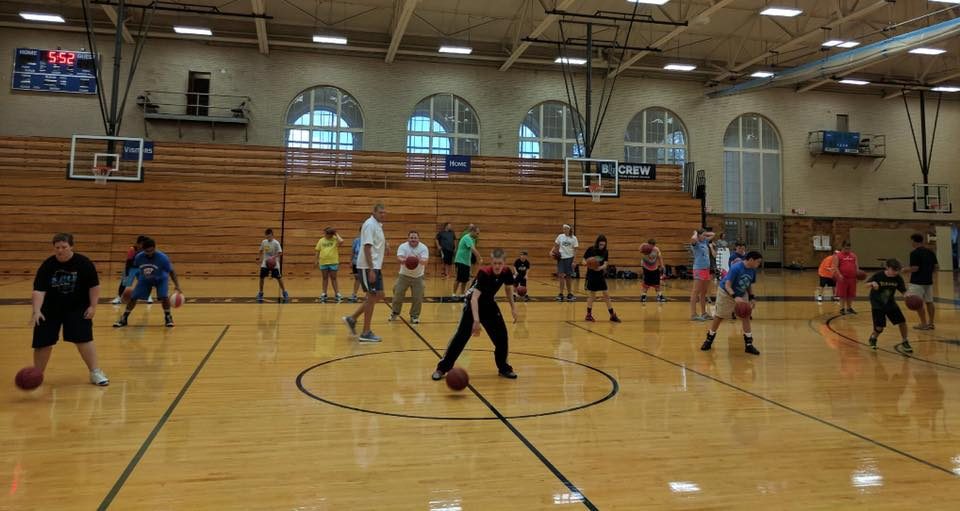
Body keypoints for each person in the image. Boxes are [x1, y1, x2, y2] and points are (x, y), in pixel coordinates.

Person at [31, 233, 108, 386]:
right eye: (57, 247)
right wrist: (37, 310)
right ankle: (37, 375)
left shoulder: (83, 263)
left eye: (64, 247)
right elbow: (39, 290)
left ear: (71, 246)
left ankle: (95, 372)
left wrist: (93, 306)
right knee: (42, 342)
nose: (60, 251)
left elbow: (94, 286)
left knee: (84, 339)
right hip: (50, 308)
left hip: (77, 307)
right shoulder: (48, 265)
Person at [431, 248, 519, 381]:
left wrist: (513, 308)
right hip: (472, 304)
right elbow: (474, 298)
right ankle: (442, 368)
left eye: (500, 263)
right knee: (460, 339)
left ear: (504, 263)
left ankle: (504, 368)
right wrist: (476, 321)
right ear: (491, 262)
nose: (497, 266)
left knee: (502, 337)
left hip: (489, 304)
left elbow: (508, 289)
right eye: (495, 263)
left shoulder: (506, 272)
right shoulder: (484, 273)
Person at [700, 251, 763, 355]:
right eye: (758, 262)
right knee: (719, 316)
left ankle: (749, 345)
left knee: (746, 315)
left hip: (741, 293)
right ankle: (708, 340)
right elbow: (728, 285)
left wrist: (752, 297)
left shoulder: (752, 270)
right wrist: (735, 297)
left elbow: (748, 283)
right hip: (726, 292)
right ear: (751, 260)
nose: (759, 264)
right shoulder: (736, 268)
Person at [113, 237, 182, 328]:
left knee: (164, 297)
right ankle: (124, 318)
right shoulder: (139, 257)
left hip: (160, 279)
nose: (149, 253)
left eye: (151, 251)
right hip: (145, 279)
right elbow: (136, 268)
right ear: (143, 250)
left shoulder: (163, 258)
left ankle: (168, 317)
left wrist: (177, 286)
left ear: (155, 248)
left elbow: (172, 272)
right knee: (134, 297)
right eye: (147, 251)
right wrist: (130, 282)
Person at [343, 204, 386, 342]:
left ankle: (352, 319)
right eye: (380, 212)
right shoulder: (369, 224)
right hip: (368, 266)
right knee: (372, 296)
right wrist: (371, 268)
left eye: (384, 213)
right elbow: (367, 247)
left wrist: (386, 244)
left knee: (379, 295)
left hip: (375, 266)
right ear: (373, 212)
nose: (383, 215)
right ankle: (366, 332)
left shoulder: (378, 225)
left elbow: (375, 242)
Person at [866, 258, 912, 353]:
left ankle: (905, 341)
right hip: (877, 304)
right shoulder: (879, 275)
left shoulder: (898, 278)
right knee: (879, 327)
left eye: (897, 270)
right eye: (893, 270)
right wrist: (872, 283)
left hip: (890, 303)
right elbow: (866, 284)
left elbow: (903, 290)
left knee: (902, 322)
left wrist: (907, 295)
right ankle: (873, 338)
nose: (895, 272)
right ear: (887, 268)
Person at [390, 231, 429, 324]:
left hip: (418, 276)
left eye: (415, 238)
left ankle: (414, 316)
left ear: (418, 239)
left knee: (418, 298)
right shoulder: (403, 246)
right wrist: (405, 260)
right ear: (408, 239)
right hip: (404, 275)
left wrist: (417, 260)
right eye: (411, 237)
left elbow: (425, 261)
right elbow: (399, 258)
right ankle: (395, 313)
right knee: (397, 294)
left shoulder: (423, 247)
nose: (413, 239)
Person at [904, 233, 938, 330]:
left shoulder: (914, 253)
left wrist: (904, 270)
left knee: (917, 302)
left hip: (917, 282)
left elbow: (915, 268)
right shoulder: (931, 252)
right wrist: (929, 274)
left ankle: (923, 323)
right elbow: (936, 267)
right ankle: (931, 323)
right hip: (928, 281)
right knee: (929, 302)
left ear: (914, 241)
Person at [582, 235, 621, 322]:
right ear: (597, 243)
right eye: (600, 244)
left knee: (606, 294)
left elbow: (606, 264)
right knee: (592, 295)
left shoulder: (605, 251)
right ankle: (588, 315)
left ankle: (612, 315)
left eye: (603, 245)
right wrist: (588, 264)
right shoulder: (590, 249)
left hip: (600, 275)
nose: (602, 246)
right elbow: (583, 260)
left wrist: (600, 267)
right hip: (591, 275)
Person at [112, 235, 151, 304]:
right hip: (132, 268)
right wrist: (127, 273)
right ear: (138, 243)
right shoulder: (132, 249)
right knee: (125, 282)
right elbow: (128, 262)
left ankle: (148, 296)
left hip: (140, 268)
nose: (143, 246)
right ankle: (119, 297)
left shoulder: (145, 250)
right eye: (142, 244)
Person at [256, 228, 289, 303]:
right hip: (265, 262)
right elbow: (260, 250)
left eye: (269, 236)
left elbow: (280, 253)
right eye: (267, 236)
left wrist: (274, 257)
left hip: (274, 263)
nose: (268, 238)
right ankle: (261, 293)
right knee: (261, 277)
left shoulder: (276, 243)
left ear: (272, 235)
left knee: (279, 278)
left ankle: (284, 292)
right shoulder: (264, 242)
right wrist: (259, 257)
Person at [689, 228, 715, 321]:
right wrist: (696, 232)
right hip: (698, 269)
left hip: (706, 269)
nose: (705, 237)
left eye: (705, 235)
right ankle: (693, 314)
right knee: (695, 291)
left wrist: (704, 234)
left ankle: (704, 313)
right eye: (703, 235)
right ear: (698, 235)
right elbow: (693, 239)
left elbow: (713, 234)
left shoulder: (704, 242)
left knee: (704, 292)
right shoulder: (696, 244)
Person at [315, 227, 344, 302]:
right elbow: (317, 251)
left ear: (331, 234)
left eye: (327, 234)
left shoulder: (335, 239)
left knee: (334, 278)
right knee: (325, 278)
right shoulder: (321, 240)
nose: (325, 235)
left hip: (333, 262)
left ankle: (337, 293)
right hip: (323, 262)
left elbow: (341, 241)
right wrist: (316, 260)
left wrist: (336, 234)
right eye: (325, 233)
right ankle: (324, 293)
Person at [453, 225, 481, 299]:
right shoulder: (467, 238)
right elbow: (473, 249)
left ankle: (462, 294)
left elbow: (472, 249)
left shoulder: (472, 239)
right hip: (460, 260)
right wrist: (479, 257)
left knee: (465, 279)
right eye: (477, 233)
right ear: (472, 231)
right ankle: (453, 294)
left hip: (466, 262)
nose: (478, 235)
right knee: (459, 278)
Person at [554, 224, 579, 301]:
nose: (564, 230)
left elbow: (575, 250)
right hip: (561, 258)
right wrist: (554, 252)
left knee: (568, 277)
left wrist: (574, 260)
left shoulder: (574, 238)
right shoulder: (560, 236)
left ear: (569, 229)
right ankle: (561, 294)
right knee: (561, 276)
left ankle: (569, 294)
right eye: (563, 229)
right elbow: (556, 245)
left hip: (569, 258)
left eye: (565, 229)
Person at [835, 241, 859, 314]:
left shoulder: (853, 255)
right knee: (842, 294)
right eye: (845, 248)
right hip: (843, 278)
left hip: (852, 278)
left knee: (851, 294)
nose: (847, 250)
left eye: (848, 248)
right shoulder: (838, 256)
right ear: (842, 247)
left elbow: (856, 266)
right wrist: (839, 275)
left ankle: (849, 308)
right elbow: (835, 267)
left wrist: (857, 276)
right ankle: (842, 309)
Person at [640, 239, 666, 303]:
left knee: (657, 283)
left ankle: (659, 296)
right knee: (646, 283)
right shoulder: (644, 248)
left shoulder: (656, 249)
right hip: (646, 268)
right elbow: (641, 251)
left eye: (653, 246)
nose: (651, 247)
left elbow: (660, 257)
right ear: (648, 244)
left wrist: (662, 265)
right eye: (650, 245)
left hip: (654, 268)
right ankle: (643, 296)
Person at [348, 236, 362, 303]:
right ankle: (354, 294)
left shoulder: (370, 239)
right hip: (356, 262)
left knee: (367, 279)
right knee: (357, 278)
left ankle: (369, 294)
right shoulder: (356, 240)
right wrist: (351, 261)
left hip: (365, 263)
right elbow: (352, 251)